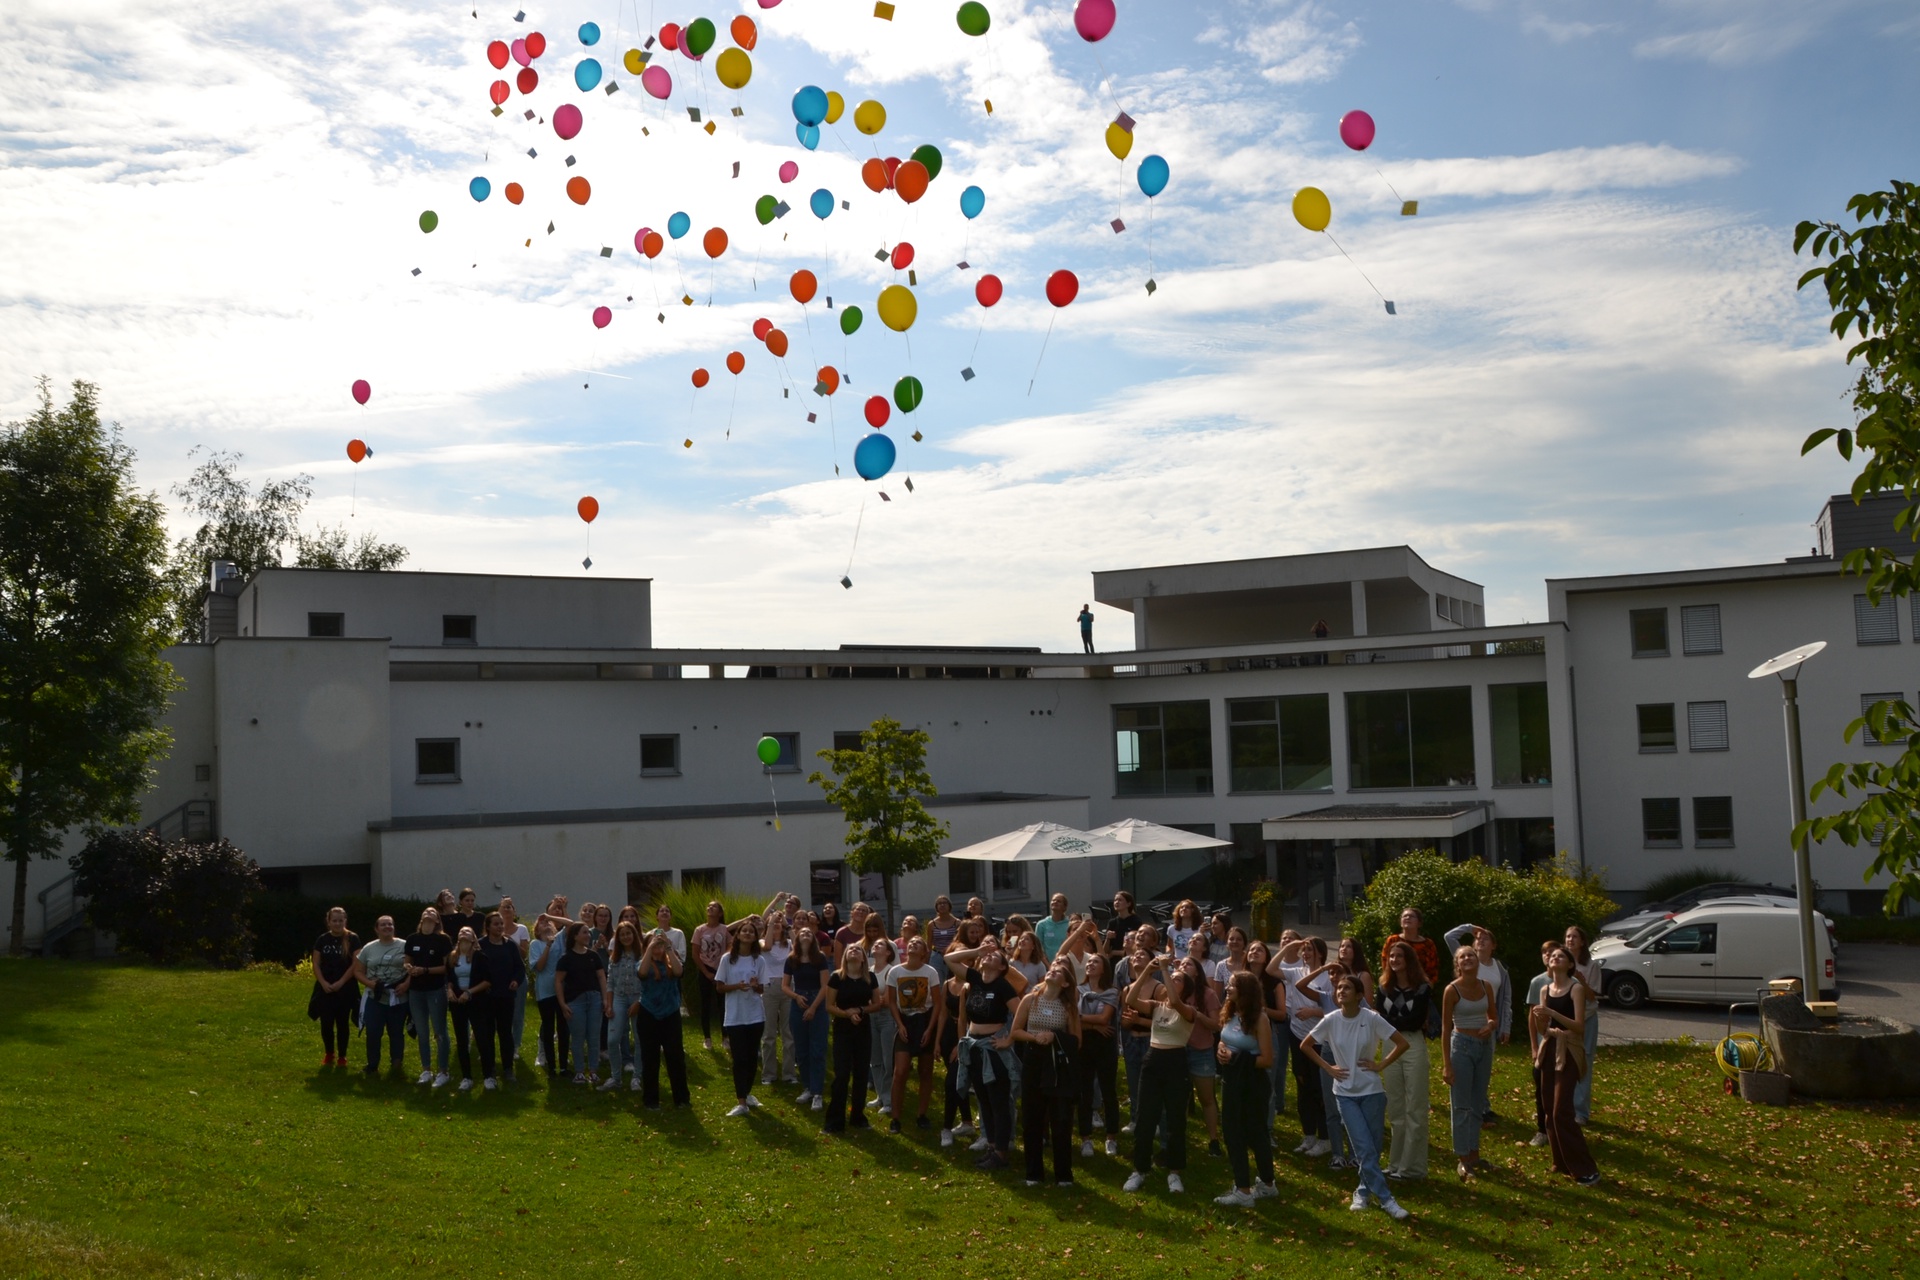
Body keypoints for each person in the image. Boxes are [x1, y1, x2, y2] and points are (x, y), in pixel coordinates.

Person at [1299, 974, 1412, 1221]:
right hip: (1345, 1094)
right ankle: (1387, 1200)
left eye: (1347, 988)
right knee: (1363, 1148)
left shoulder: (1371, 1018)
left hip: (1372, 1092)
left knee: (1370, 1148)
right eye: (1338, 988)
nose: (1341, 991)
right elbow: (1305, 1045)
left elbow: (1401, 1043)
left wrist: (1381, 1064)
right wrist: (1328, 1068)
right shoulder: (1330, 1020)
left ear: (1359, 995)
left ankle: (1362, 1191)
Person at [1123, 952, 1197, 1195]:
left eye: (1176, 979)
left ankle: (1175, 1172)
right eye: (1170, 978)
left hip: (1175, 1062)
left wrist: (1165, 969)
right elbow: (1132, 998)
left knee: (1175, 1121)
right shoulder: (1156, 1006)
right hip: (1152, 1060)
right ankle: (1140, 1169)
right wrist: (1147, 971)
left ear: (1185, 988)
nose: (1170, 981)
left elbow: (1175, 1002)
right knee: (1145, 1118)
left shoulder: (1187, 1010)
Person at [1533, 944, 1601, 1185]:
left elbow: (1579, 1026)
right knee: (1549, 1109)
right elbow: (1543, 1029)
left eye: (1560, 956)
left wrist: (1552, 1012)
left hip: (1569, 1048)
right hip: (1550, 1047)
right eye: (1552, 956)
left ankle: (1586, 1168)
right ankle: (1560, 1161)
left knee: (1562, 1110)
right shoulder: (1544, 989)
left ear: (1570, 964)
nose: (1555, 958)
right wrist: (1540, 1020)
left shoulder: (1576, 989)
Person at [1011, 959, 1081, 1187]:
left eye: (1058, 972)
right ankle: (1033, 1172)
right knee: (1032, 1116)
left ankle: (1063, 1174)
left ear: (1065, 983)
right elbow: (1016, 1032)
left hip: (1057, 1063)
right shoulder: (1031, 1000)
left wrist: (1054, 1037)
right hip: (1033, 1059)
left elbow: (1076, 1040)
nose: (1052, 972)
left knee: (1060, 1118)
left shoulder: (1068, 1006)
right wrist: (1036, 1037)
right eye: (1051, 970)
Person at [951, 945, 1021, 1170]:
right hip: (974, 1048)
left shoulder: (1002, 985)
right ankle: (992, 1147)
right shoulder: (975, 979)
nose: (988, 956)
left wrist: (1008, 1040)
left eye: (995, 956)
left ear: (1002, 967)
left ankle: (1001, 1152)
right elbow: (949, 959)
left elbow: (1021, 1013)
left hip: (993, 1050)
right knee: (984, 1099)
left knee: (998, 1101)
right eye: (987, 955)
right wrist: (977, 951)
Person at [1212, 971, 1279, 1207]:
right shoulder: (1230, 1011)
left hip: (1253, 1084)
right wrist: (1221, 1048)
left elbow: (1267, 1059)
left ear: (1246, 990)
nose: (1227, 988)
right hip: (1231, 1080)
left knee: (1254, 1132)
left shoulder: (1260, 1018)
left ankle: (1256, 1187)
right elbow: (1225, 1038)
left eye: (1232, 985)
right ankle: (1246, 1185)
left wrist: (1235, 1057)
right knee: (1232, 1132)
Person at [1376, 939, 1432, 1180]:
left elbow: (1415, 1021)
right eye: (1391, 956)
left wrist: (1390, 1023)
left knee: (1415, 1108)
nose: (1394, 960)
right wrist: (1389, 1024)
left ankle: (1414, 1167)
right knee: (1396, 1107)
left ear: (1409, 960)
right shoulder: (1383, 988)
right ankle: (1396, 1163)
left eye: (1399, 956)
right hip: (1390, 1045)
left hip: (1413, 1044)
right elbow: (1379, 1017)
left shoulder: (1422, 988)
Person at [1445, 922, 1511, 1123]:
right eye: (1477, 938)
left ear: (1494, 945)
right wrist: (1468, 927)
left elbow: (1505, 999)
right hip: (1465, 1027)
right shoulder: (1468, 960)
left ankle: (1482, 1107)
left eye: (1486, 938)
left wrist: (1503, 1025)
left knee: (1483, 1070)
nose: (1480, 940)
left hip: (1488, 1026)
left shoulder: (1500, 969)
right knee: (1466, 1070)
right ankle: (1476, 1110)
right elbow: (1449, 937)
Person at [1275, 935, 1334, 1158]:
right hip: (1297, 1036)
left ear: (1320, 953)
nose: (1305, 954)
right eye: (1304, 950)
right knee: (1303, 1087)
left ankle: (1324, 1138)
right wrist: (1288, 947)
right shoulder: (1295, 972)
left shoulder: (1329, 976)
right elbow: (1272, 969)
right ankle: (1308, 1134)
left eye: (1309, 950)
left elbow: (1334, 1007)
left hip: (1320, 1039)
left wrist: (1313, 1012)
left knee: (1320, 1088)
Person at [1441, 944, 1495, 1179]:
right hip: (1461, 1046)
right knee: (1461, 1105)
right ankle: (1463, 1159)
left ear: (1477, 961)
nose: (1467, 959)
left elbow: (1493, 1015)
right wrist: (1446, 1064)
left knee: (1477, 1103)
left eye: (1470, 955)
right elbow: (1445, 1028)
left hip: (1484, 1047)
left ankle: (1474, 1154)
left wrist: (1491, 1025)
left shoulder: (1486, 986)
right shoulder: (1452, 990)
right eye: (1462, 957)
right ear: (1458, 964)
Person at [887, 936, 943, 1133]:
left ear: (924, 953)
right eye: (911, 943)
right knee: (900, 1071)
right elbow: (892, 1001)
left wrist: (930, 1029)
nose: (913, 945)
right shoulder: (895, 972)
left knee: (925, 1071)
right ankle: (895, 1118)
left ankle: (921, 1114)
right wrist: (899, 1024)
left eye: (918, 944)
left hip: (925, 1021)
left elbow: (937, 1003)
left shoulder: (931, 972)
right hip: (905, 1023)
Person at [823, 942, 881, 1132]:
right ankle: (835, 1121)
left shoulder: (869, 977)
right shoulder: (836, 977)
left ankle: (858, 1116)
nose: (854, 951)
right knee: (841, 1075)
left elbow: (876, 1003)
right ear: (845, 956)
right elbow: (830, 1006)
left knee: (861, 1073)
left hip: (863, 1029)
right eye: (851, 949)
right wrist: (847, 1014)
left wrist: (861, 1010)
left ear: (863, 957)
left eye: (858, 949)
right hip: (842, 1030)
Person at [714, 921, 768, 1116]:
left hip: (755, 1015)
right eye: (744, 931)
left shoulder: (759, 960)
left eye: (751, 932)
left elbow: (762, 988)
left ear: (755, 937)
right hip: (735, 1016)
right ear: (738, 935)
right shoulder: (727, 959)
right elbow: (719, 987)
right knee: (739, 1059)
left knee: (752, 1058)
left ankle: (748, 1092)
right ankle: (741, 1102)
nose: (747, 933)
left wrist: (754, 986)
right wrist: (737, 986)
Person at [635, 926, 691, 1107]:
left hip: (670, 1014)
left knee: (675, 1057)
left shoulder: (670, 962)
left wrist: (668, 947)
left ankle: (681, 1099)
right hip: (648, 1014)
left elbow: (679, 972)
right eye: (654, 944)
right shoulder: (642, 962)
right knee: (650, 1058)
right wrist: (650, 948)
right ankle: (651, 1100)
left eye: (659, 944)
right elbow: (642, 973)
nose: (657, 947)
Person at [1181, 940, 1224, 1156]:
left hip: (1201, 1051)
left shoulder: (1207, 995)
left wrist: (1196, 1014)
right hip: (1178, 1051)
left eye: (1187, 965)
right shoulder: (1173, 993)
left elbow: (1216, 1025)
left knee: (1207, 1098)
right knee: (1177, 1098)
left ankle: (1214, 1140)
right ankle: (1179, 1139)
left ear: (1197, 972)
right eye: (1180, 966)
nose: (1182, 968)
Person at [1076, 952, 1121, 1156]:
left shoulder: (1111, 992)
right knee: (1084, 1092)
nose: (1091, 964)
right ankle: (1085, 1138)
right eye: (1089, 961)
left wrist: (1088, 1022)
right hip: (1083, 1044)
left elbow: (1105, 1019)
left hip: (1105, 1045)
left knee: (1108, 1091)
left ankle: (1111, 1137)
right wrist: (1095, 1025)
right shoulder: (1078, 990)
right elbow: (1071, 1018)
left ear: (1104, 969)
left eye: (1096, 962)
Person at [351, 915, 408, 1075]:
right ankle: (372, 1065)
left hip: (399, 998)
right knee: (373, 1032)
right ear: (376, 929)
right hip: (375, 999)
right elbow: (358, 971)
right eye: (383, 925)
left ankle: (397, 1064)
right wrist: (372, 984)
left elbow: (413, 969)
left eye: (390, 924)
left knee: (396, 1032)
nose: (387, 927)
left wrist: (405, 985)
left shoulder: (404, 945)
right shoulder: (369, 948)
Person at [403, 907, 454, 1087]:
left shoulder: (443, 940)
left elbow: (446, 967)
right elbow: (407, 960)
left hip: (435, 989)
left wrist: (425, 970)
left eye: (433, 914)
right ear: (422, 918)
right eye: (426, 913)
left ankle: (443, 1071)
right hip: (416, 991)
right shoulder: (412, 939)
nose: (429, 915)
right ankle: (426, 1069)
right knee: (422, 1032)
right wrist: (409, 968)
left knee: (439, 1031)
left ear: (437, 920)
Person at [555, 921, 610, 1086]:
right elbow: (558, 981)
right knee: (578, 1037)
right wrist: (563, 1004)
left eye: (588, 932)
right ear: (575, 936)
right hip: (575, 1002)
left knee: (594, 1037)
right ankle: (579, 1072)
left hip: (594, 999)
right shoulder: (566, 958)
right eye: (584, 932)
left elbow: (601, 977)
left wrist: (605, 998)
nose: (588, 935)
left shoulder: (593, 956)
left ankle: (593, 1071)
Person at [785, 926, 833, 1109]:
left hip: (817, 1003)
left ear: (813, 938)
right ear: (797, 938)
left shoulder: (819, 958)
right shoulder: (791, 959)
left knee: (817, 1049)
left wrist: (813, 1007)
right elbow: (785, 985)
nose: (805, 935)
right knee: (802, 1050)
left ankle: (818, 1092)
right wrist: (796, 997)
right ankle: (807, 1087)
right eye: (802, 933)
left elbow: (825, 985)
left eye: (808, 933)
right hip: (798, 1003)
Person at [309, 907, 360, 1068]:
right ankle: (329, 1053)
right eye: (334, 920)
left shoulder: (353, 939)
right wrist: (323, 983)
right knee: (326, 1023)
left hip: (345, 988)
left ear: (345, 921)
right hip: (325, 987)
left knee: (342, 1023)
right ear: (329, 922)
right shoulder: (322, 940)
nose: (337, 923)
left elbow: (356, 964)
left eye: (340, 920)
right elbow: (316, 963)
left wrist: (341, 982)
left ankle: (342, 1056)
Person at [478, 912, 525, 1086]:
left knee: (505, 1033)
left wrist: (515, 981)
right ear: (488, 927)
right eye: (495, 924)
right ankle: (489, 1069)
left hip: (506, 995)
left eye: (501, 924)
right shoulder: (480, 945)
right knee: (487, 1034)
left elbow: (520, 968)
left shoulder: (510, 945)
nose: (499, 927)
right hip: (486, 996)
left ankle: (507, 1068)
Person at [445, 926, 494, 1091]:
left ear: (473, 938)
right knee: (461, 1040)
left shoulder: (480, 957)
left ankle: (488, 1076)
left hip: (476, 1001)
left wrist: (469, 992)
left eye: (467, 932)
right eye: (461, 932)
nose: (463, 933)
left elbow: (487, 981)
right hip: (458, 1002)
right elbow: (449, 978)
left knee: (482, 1038)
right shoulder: (452, 957)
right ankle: (467, 1077)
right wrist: (450, 990)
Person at [1245, 939, 1287, 1130]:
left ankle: (1266, 1131)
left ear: (1266, 957)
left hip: (1269, 1034)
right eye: (1251, 949)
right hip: (1244, 1035)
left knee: (1267, 1086)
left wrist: (1261, 1009)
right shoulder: (1240, 979)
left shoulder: (1274, 983)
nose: (1254, 952)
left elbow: (1282, 1014)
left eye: (1259, 950)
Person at [938, 958, 976, 1147]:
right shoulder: (947, 984)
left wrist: (960, 1045)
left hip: (966, 1034)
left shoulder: (974, 985)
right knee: (958, 1080)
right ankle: (967, 1121)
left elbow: (967, 1019)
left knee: (951, 1083)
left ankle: (946, 1128)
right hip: (947, 1035)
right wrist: (937, 1041)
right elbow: (943, 1013)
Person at [604, 921, 645, 1092]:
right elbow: (610, 983)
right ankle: (615, 1077)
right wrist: (609, 1004)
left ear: (634, 935)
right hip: (619, 998)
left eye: (629, 933)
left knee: (639, 1039)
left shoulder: (642, 955)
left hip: (638, 998)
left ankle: (637, 1077)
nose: (626, 937)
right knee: (612, 1040)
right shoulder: (615, 957)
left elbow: (647, 981)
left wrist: (639, 1002)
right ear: (618, 939)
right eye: (622, 935)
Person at [1566, 925, 1602, 1125]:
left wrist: (1582, 981)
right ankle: (1565, 1106)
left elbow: (1592, 996)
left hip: (1587, 1019)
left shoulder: (1591, 966)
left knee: (1584, 1063)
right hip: (1566, 1020)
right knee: (1565, 1062)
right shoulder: (1561, 963)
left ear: (1582, 942)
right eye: (1568, 937)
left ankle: (1581, 1112)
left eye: (1574, 937)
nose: (1570, 940)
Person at [1525, 939, 1558, 1147]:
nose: (1548, 956)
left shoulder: (1572, 984)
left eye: (1553, 953)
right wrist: (1534, 1047)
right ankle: (1542, 1130)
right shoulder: (1537, 982)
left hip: (1564, 1044)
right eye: (1545, 953)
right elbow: (1532, 1016)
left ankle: (1560, 1130)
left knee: (1562, 1090)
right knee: (1541, 1088)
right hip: (1544, 1044)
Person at [759, 911, 796, 1087]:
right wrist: (772, 920)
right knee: (769, 1034)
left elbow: (800, 949)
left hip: (788, 986)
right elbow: (766, 946)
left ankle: (789, 1073)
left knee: (789, 1033)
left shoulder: (788, 944)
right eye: (772, 926)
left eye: (778, 926)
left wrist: (788, 926)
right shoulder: (762, 942)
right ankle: (769, 1073)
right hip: (769, 987)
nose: (775, 927)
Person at [529, 918, 567, 1076]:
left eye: (549, 923)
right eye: (542, 924)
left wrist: (554, 916)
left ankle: (564, 1066)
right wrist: (548, 946)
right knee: (549, 1028)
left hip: (562, 992)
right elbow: (539, 966)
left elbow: (571, 924)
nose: (546, 925)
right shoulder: (535, 945)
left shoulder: (560, 939)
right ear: (537, 931)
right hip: (545, 993)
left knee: (563, 1029)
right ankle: (551, 1066)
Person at [867, 936, 899, 1117]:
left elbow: (887, 1000)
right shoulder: (869, 971)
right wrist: (874, 1000)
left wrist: (873, 1000)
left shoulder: (891, 971)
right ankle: (880, 1095)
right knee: (875, 1060)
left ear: (888, 952)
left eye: (880, 945)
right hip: (871, 1017)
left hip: (887, 1018)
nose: (875, 946)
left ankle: (889, 1100)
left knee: (888, 1060)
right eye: (875, 944)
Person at [692, 901, 730, 1051]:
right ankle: (707, 1038)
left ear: (720, 913)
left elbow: (731, 944)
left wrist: (724, 959)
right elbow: (695, 953)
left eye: (714, 907)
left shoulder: (724, 929)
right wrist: (706, 972)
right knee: (705, 1004)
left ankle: (725, 1037)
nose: (710, 908)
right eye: (708, 906)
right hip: (704, 969)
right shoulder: (699, 930)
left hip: (721, 969)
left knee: (723, 1005)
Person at [498, 897, 531, 1054]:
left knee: (517, 1013)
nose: (506, 909)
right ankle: (502, 1044)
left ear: (514, 911)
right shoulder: (493, 929)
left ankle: (515, 1046)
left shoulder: (522, 929)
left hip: (517, 976)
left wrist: (511, 941)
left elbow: (524, 955)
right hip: (499, 977)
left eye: (509, 907)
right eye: (504, 907)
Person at [1380, 907, 1442, 986]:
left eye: (1411, 916)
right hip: (1395, 985)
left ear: (1419, 923)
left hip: (1420, 986)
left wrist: (1427, 986)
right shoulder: (1393, 940)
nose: (1407, 918)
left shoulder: (1428, 944)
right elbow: (1386, 963)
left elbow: (1433, 969)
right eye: (1404, 916)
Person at [1104, 891, 1145, 959]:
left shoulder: (1136, 921)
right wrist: (1107, 939)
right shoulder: (1112, 922)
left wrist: (1115, 952)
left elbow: (1139, 947)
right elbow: (1105, 950)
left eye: (1120, 900)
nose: (1116, 902)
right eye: (1115, 900)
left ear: (1128, 904)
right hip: (1114, 961)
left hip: (1131, 958)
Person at [927, 897, 962, 975]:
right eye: (939, 903)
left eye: (944, 903)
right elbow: (929, 945)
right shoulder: (932, 924)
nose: (942, 905)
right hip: (936, 956)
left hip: (953, 955)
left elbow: (960, 941)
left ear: (949, 906)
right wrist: (927, 960)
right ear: (936, 907)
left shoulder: (957, 923)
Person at [1035, 893, 1072, 960]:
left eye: (1059, 901)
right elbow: (1039, 948)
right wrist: (1049, 966)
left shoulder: (1070, 925)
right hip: (1047, 965)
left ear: (1064, 907)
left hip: (1065, 963)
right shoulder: (1041, 925)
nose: (1055, 902)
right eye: (1053, 900)